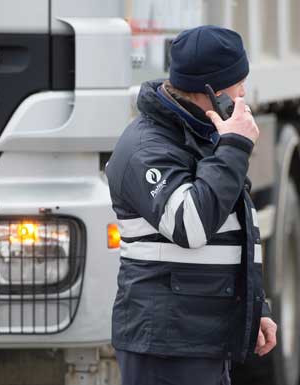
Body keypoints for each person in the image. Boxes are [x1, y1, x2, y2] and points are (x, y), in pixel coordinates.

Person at [104, 25, 277, 385]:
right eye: (238, 83)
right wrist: (234, 148)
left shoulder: (206, 136)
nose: (244, 93)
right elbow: (191, 225)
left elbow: (231, 231)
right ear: (211, 91)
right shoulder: (146, 148)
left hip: (200, 339)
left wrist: (252, 309)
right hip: (166, 347)